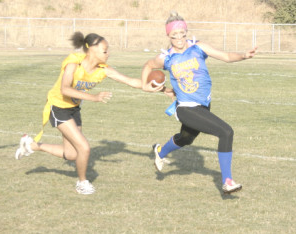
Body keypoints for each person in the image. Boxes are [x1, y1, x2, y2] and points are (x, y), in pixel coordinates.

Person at [15, 31, 157, 195]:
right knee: (84, 148)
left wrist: (155, 88)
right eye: (105, 50)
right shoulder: (74, 63)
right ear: (91, 49)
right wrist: (94, 97)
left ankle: (31, 145)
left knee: (72, 154)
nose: (108, 53)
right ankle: (82, 183)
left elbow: (130, 81)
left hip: (73, 109)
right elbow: (65, 89)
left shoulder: (103, 69)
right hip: (58, 106)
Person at [141, 12, 257, 194]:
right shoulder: (166, 58)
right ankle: (227, 181)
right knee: (226, 132)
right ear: (168, 36)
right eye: (174, 35)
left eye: (182, 33)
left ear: (186, 32)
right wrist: (146, 86)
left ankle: (160, 151)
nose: (179, 38)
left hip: (202, 106)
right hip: (186, 108)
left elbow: (226, 56)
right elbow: (148, 66)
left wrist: (243, 55)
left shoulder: (198, 47)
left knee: (186, 138)